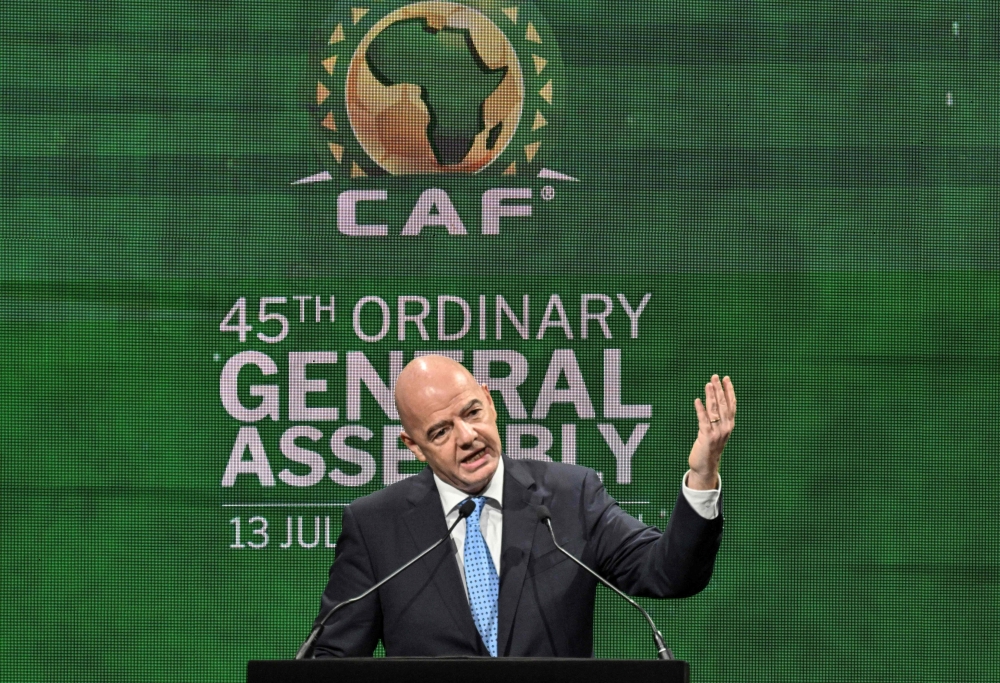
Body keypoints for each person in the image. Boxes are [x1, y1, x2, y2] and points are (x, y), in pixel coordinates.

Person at [310, 355, 735, 657]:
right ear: (414, 447)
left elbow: (668, 573)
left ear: (491, 403)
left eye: (472, 412)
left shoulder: (571, 496)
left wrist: (702, 475)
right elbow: (332, 657)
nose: (467, 436)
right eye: (440, 432)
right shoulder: (375, 526)